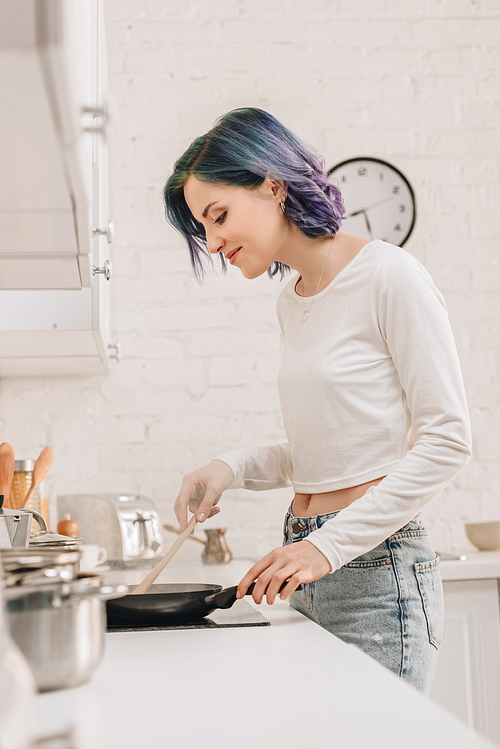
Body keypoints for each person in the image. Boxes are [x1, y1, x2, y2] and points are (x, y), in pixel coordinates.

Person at [163, 107, 472, 694]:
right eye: (203, 227)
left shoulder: (390, 276)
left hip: (374, 571)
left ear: (273, 186)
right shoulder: (293, 301)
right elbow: (331, 443)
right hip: (306, 559)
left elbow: (447, 440)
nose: (213, 241)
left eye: (219, 216)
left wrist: (323, 548)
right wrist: (231, 467)